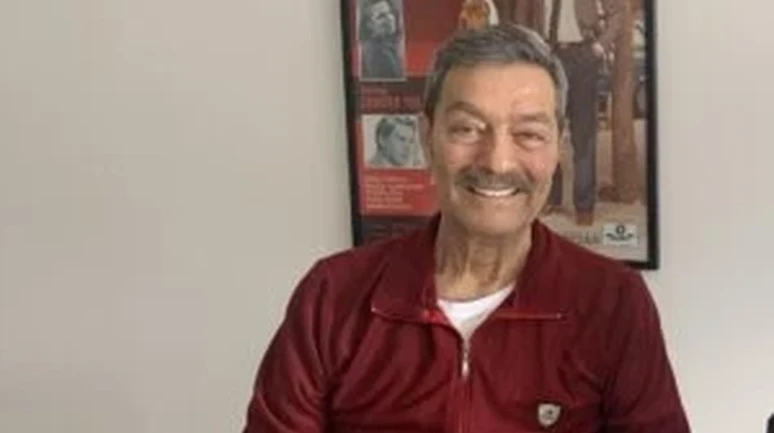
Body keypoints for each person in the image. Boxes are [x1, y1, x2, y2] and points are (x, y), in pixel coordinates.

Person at [241, 23, 690, 433]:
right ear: (427, 138)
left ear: (558, 147)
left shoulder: (611, 303)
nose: (497, 162)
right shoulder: (333, 296)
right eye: (468, 129)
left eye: (528, 134)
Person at [544, 0, 621, 226]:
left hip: (583, 56)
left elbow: (617, 13)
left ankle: (584, 206)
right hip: (551, 56)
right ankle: (550, 197)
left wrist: (600, 46)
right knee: (548, 129)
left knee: (584, 133)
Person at [358, 0, 405, 80]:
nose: (390, 18)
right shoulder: (379, 53)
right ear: (369, 25)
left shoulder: (388, 46)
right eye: (381, 16)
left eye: (390, 12)